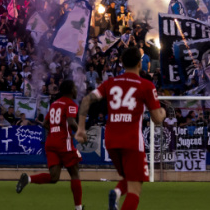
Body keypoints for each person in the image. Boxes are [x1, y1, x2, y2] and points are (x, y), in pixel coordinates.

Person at [76, 46, 165, 210]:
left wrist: (81, 128)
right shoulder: (146, 85)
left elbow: (87, 100)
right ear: (140, 64)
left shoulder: (110, 82)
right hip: (132, 142)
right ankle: (117, 194)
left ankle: (116, 193)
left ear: (122, 63)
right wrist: (163, 112)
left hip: (111, 141)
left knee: (129, 177)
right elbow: (157, 119)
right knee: (135, 189)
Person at [16, 79, 83, 210]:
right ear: (70, 90)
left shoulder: (54, 104)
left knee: (54, 177)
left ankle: (28, 179)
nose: (76, 90)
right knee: (75, 173)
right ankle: (78, 208)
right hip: (63, 143)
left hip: (51, 142)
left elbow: (46, 124)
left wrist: (56, 131)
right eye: (75, 88)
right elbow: (71, 122)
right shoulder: (71, 104)